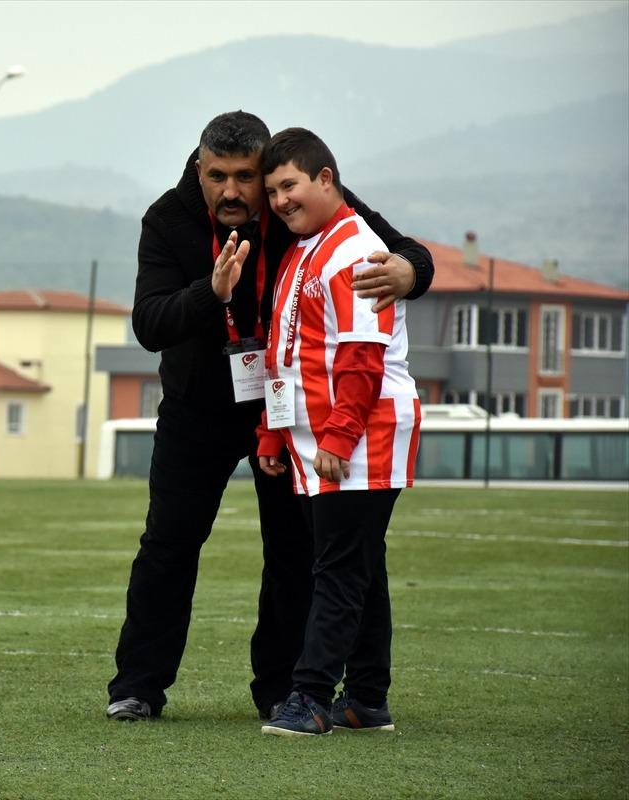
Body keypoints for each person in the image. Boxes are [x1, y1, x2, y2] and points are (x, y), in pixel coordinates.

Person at [105, 111, 433, 723]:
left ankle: (282, 688)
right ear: (198, 170)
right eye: (217, 177)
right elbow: (149, 324)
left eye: (246, 178)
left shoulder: (294, 201)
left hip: (281, 411)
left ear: (268, 175)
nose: (233, 191)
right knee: (168, 545)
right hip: (196, 409)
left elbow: (397, 247)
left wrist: (413, 273)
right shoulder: (167, 219)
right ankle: (138, 686)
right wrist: (212, 292)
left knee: (293, 550)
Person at [255, 127, 421, 736]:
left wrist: (338, 437)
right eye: (272, 191)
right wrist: (275, 434)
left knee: (339, 569)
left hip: (358, 439)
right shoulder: (305, 247)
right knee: (360, 565)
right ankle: (367, 699)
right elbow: (286, 353)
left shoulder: (356, 248)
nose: (279, 200)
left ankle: (310, 698)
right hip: (321, 441)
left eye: (290, 185)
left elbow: (360, 355)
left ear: (327, 178)